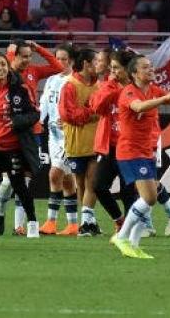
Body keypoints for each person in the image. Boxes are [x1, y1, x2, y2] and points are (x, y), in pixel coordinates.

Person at [111, 55, 170, 259]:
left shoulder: (154, 90)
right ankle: (122, 237)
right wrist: (165, 98)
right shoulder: (128, 92)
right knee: (149, 197)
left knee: (146, 199)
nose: (151, 70)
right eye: (146, 67)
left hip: (146, 151)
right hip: (130, 152)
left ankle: (133, 244)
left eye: (151, 66)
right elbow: (139, 107)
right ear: (134, 73)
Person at [0, 40, 64, 235]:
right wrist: (9, 54)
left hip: (32, 130)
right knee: (8, 181)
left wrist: (39, 49)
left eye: (29, 56)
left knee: (24, 180)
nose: (27, 60)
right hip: (10, 130)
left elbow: (57, 67)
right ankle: (0, 213)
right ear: (14, 56)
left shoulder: (34, 70)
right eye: (23, 56)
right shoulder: (7, 72)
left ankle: (19, 226)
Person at [0, 53, 40, 239]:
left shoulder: (20, 89)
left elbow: (35, 114)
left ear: (8, 67)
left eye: (2, 64)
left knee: (19, 185)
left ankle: (33, 223)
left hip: (13, 146)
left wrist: (18, 121)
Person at [90, 50, 139, 235]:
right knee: (98, 186)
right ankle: (119, 220)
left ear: (128, 69)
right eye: (111, 68)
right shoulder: (107, 86)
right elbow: (96, 107)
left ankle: (129, 231)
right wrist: (113, 86)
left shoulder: (138, 89)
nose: (113, 72)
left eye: (117, 68)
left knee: (128, 192)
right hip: (109, 146)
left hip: (129, 147)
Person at [37, 45, 79, 236]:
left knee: (55, 174)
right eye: (57, 59)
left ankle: (51, 221)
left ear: (71, 61)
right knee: (68, 179)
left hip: (69, 134)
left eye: (64, 59)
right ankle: (73, 224)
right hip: (53, 136)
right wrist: (38, 121)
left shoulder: (76, 81)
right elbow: (45, 102)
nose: (60, 62)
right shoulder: (52, 80)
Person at [59, 49, 100, 236]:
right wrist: (92, 112)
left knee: (93, 182)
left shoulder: (99, 85)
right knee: (81, 184)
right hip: (76, 141)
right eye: (96, 62)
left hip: (98, 141)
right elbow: (68, 115)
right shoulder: (70, 85)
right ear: (86, 63)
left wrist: (86, 113)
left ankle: (87, 222)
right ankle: (88, 222)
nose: (99, 65)